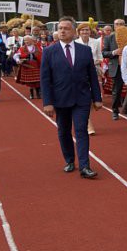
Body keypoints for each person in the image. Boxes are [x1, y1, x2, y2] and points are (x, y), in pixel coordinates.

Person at [39, 16, 102, 179]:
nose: (62, 31)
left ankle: (84, 166)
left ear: (74, 32)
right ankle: (69, 160)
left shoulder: (84, 50)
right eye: (60, 28)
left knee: (81, 130)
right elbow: (45, 79)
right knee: (64, 131)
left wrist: (97, 98)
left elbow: (92, 76)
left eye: (66, 28)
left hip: (81, 98)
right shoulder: (48, 52)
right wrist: (48, 102)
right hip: (60, 99)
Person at [77, 20, 103, 134]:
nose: (85, 32)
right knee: (84, 98)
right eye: (82, 30)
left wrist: (95, 62)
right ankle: (88, 123)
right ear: (79, 32)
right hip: (80, 73)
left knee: (91, 95)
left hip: (93, 71)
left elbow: (100, 57)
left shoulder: (95, 42)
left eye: (86, 30)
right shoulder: (75, 43)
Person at [102, 19, 127, 120]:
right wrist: (114, 52)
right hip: (116, 67)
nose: (119, 26)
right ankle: (115, 111)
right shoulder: (109, 38)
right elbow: (104, 53)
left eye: (121, 24)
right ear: (114, 26)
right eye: (117, 24)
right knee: (117, 90)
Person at [14, 33, 43, 99]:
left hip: (36, 65)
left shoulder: (38, 47)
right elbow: (16, 55)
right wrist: (18, 60)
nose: (26, 42)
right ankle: (31, 93)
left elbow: (42, 54)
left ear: (31, 40)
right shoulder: (22, 48)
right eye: (25, 40)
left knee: (38, 80)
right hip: (27, 65)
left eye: (27, 40)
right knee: (30, 82)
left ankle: (38, 93)